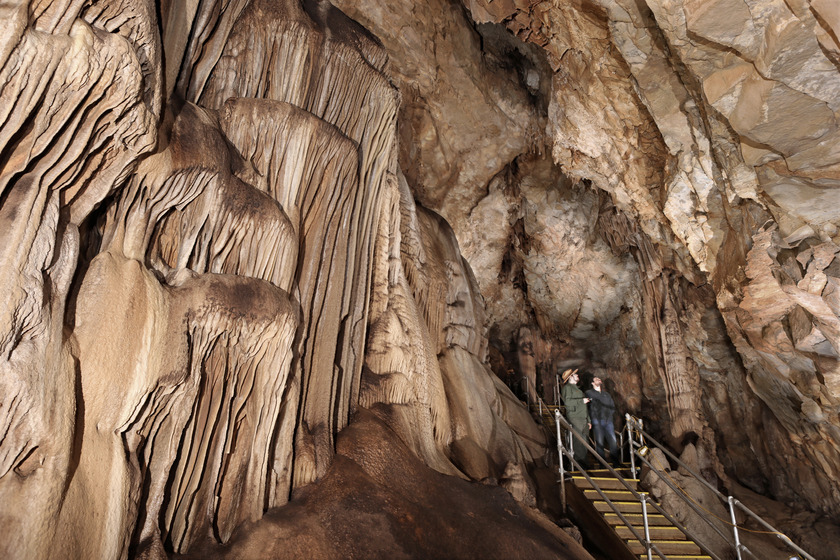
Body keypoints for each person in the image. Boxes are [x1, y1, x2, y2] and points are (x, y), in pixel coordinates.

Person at [586, 375, 619, 466]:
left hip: (608, 421)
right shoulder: (589, 393)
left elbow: (612, 406)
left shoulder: (606, 394)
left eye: (599, 379)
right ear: (592, 383)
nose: (599, 379)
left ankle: (616, 463)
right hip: (597, 421)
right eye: (596, 379)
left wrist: (609, 416)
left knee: (613, 442)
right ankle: (602, 464)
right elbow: (586, 407)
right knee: (599, 442)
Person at [560, 368, 590, 466]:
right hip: (575, 417)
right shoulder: (567, 388)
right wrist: (581, 401)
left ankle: (584, 461)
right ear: (570, 377)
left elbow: (584, 406)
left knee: (584, 440)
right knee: (578, 440)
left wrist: (588, 420)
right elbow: (567, 403)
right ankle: (579, 464)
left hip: (583, 418)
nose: (577, 376)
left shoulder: (578, 389)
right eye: (575, 375)